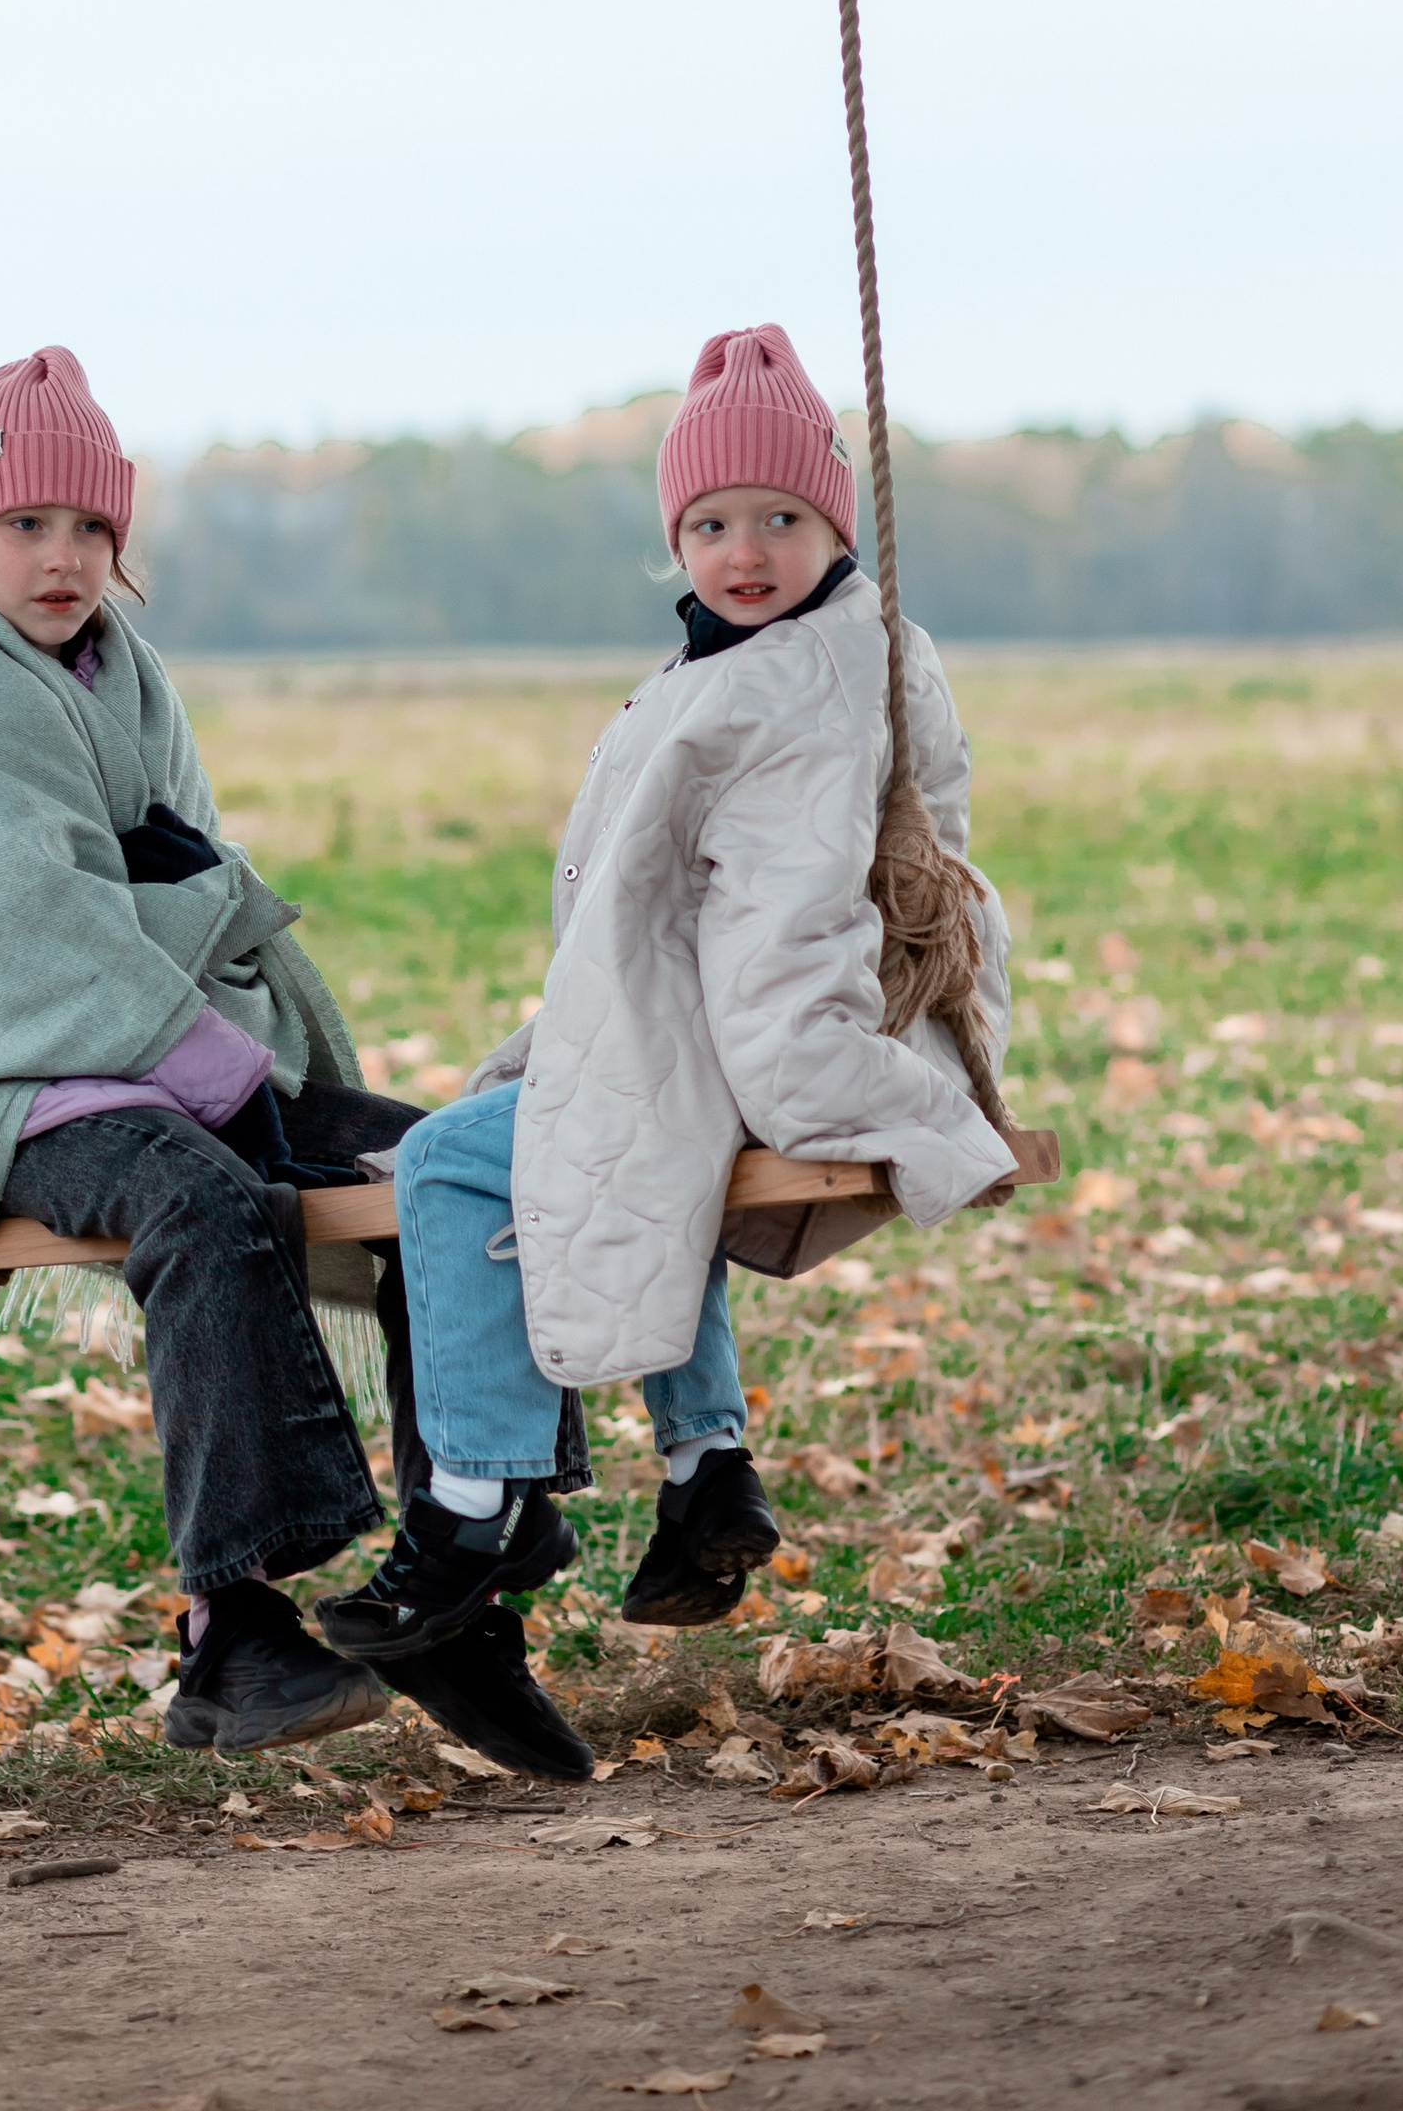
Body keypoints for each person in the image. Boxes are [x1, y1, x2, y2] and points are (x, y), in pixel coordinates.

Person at [0, 344, 589, 1776]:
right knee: (204, 1199)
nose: (62, 556)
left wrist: (195, 995)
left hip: (143, 1046)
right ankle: (234, 1629)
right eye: (26, 526)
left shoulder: (122, 675)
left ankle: (468, 1552)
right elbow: (11, 923)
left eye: (91, 529)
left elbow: (177, 879)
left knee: (453, 1168)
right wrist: (198, 1046)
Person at [318, 324, 1017, 1667]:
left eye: (781, 516)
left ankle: (480, 1504)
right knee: (585, 1125)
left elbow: (796, 922)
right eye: (708, 521)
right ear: (674, 541)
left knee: (456, 1165)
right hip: (705, 1022)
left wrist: (860, 1101)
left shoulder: (791, 685)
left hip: (755, 1036)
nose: (743, 549)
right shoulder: (770, 659)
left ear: (835, 524)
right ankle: (706, 1467)